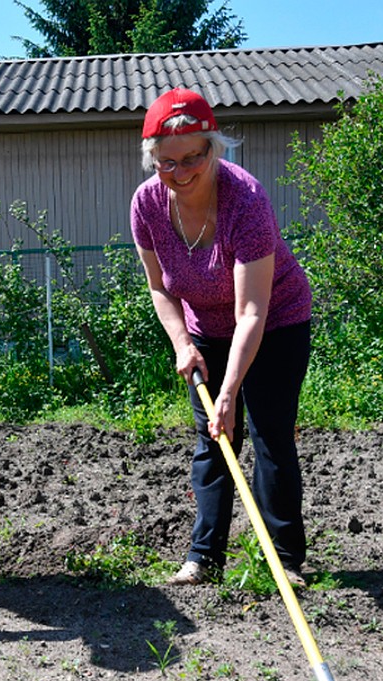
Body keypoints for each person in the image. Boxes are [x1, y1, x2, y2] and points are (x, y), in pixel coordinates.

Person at [129, 88, 313, 587]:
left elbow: (252, 308)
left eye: (194, 156)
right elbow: (158, 287)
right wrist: (182, 345)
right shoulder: (146, 205)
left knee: (269, 434)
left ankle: (285, 560)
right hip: (205, 329)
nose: (182, 171)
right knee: (212, 440)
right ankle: (203, 557)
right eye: (168, 162)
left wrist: (230, 391)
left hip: (274, 321)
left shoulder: (246, 200)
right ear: (153, 160)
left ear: (215, 146)